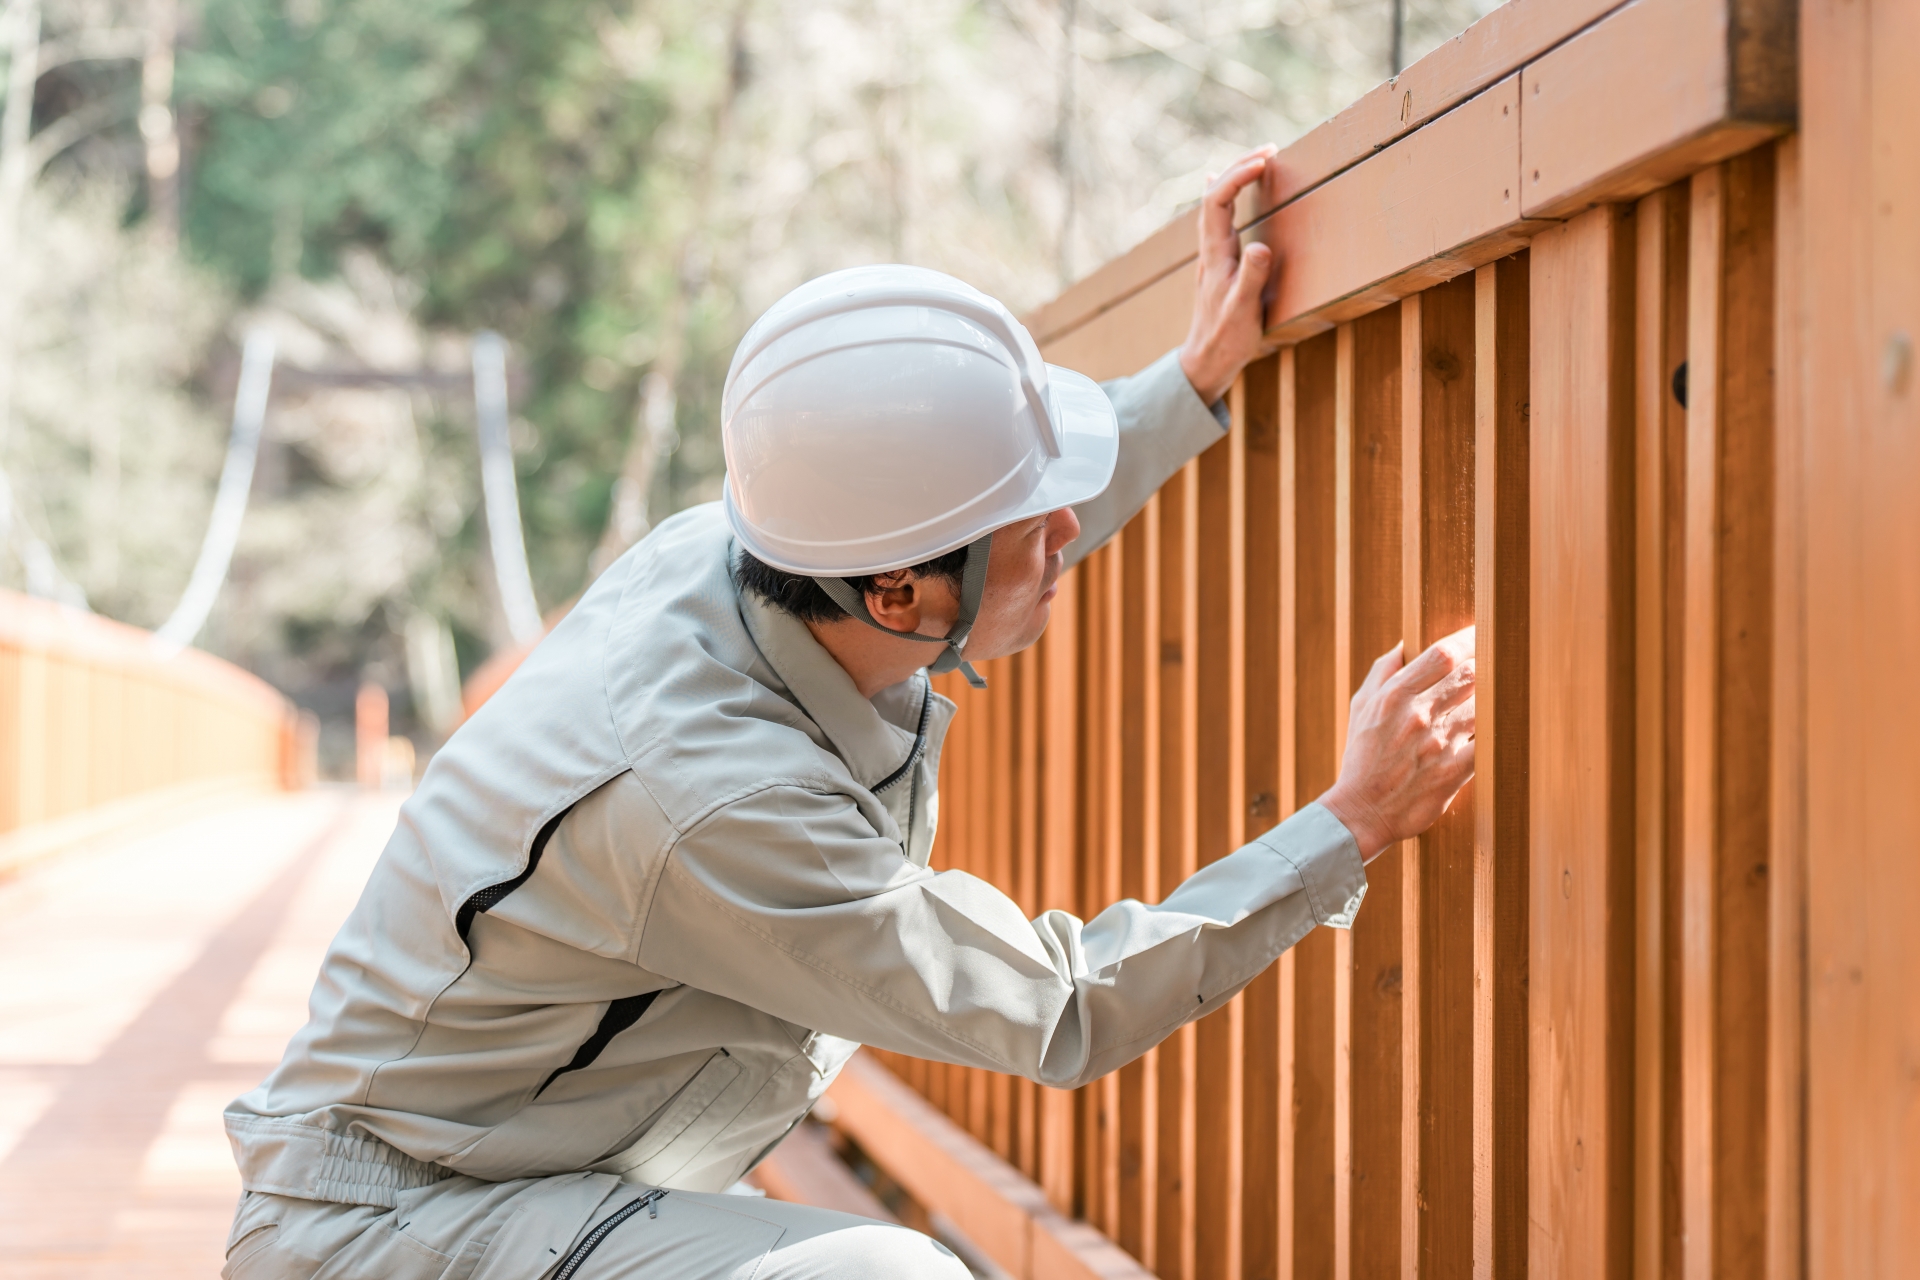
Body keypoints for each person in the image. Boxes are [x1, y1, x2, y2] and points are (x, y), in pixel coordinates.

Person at [221, 148, 1476, 1280]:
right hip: (394, 1231)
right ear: (896, 591)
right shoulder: (712, 795)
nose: (1066, 541)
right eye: (1037, 526)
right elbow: (1060, 1004)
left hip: (509, 1183)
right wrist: (1348, 823)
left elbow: (963, 543)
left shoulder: (751, 551)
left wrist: (1188, 382)